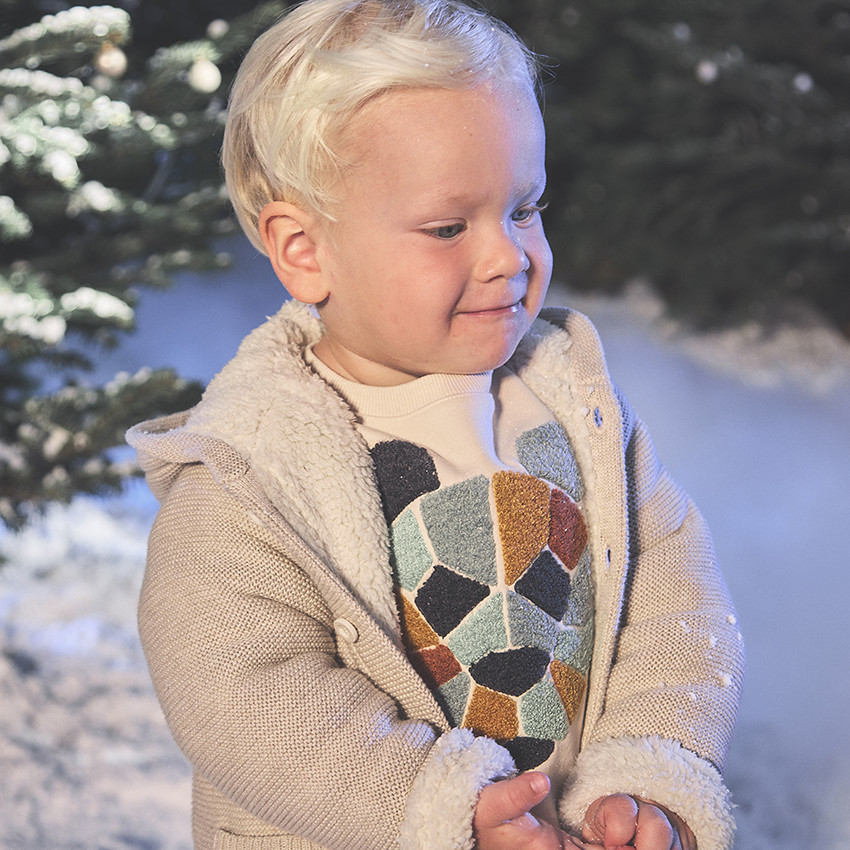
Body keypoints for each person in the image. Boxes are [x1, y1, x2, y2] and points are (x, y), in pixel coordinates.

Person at [127, 2, 745, 849]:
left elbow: (672, 591)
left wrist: (647, 772)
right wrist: (442, 806)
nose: (508, 256)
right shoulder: (250, 474)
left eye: (524, 208)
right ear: (305, 250)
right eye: (449, 227)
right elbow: (240, 694)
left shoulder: (574, 406)